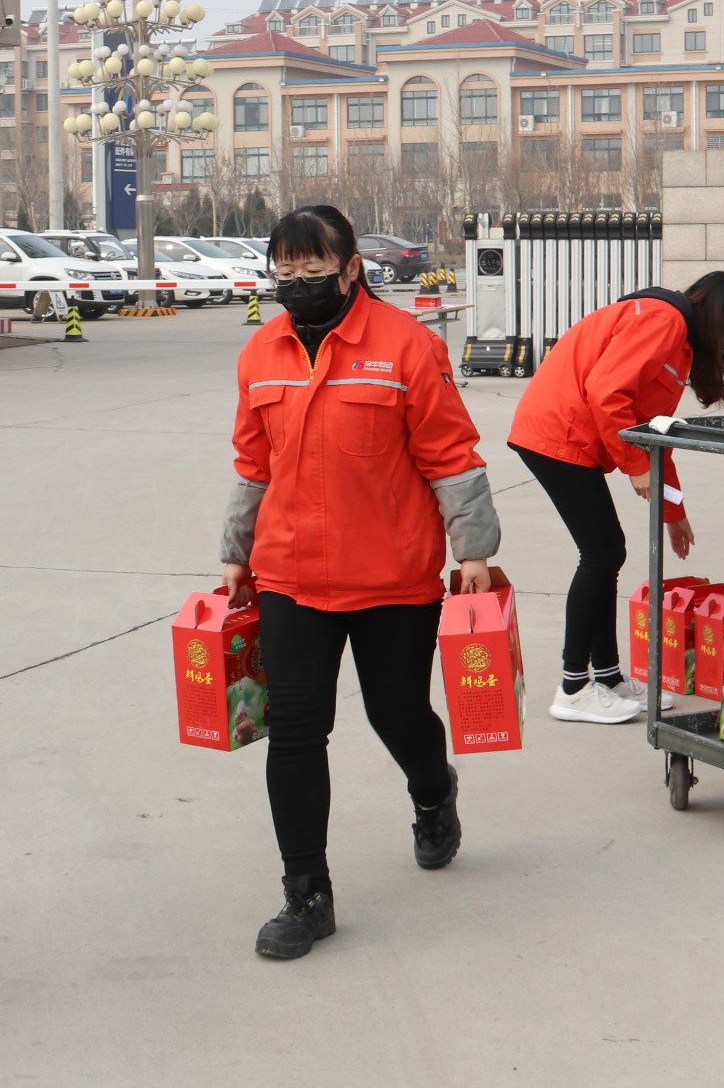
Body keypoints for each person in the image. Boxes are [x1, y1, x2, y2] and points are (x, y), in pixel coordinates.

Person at [221, 205, 499, 961]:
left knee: (398, 714)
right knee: (298, 729)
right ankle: (306, 892)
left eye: (314, 269)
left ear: (352, 270)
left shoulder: (407, 347)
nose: (299, 283)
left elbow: (451, 452)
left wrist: (473, 547)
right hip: (291, 576)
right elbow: (253, 462)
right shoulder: (261, 353)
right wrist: (235, 552)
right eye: (285, 270)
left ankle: (433, 790)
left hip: (392, 576)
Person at [509, 272, 724, 723]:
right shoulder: (663, 320)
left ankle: (607, 679)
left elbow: (653, 429)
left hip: (567, 435)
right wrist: (633, 467)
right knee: (602, 552)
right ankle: (573, 687)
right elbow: (607, 392)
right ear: (722, 317)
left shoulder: (677, 337)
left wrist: (673, 512)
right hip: (556, 433)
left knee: (606, 552)